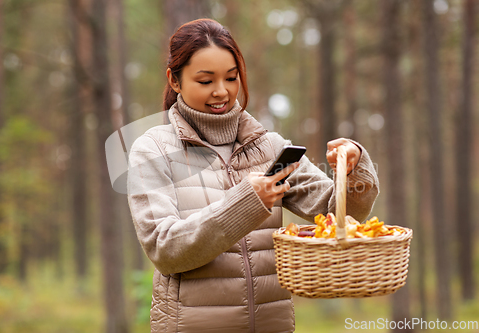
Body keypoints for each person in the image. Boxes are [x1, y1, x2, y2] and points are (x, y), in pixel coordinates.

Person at [127, 18, 379, 333]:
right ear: (174, 81)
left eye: (231, 78)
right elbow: (165, 250)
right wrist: (248, 202)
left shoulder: (270, 148)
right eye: (205, 81)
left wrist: (353, 169)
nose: (222, 91)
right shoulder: (152, 150)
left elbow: (340, 214)